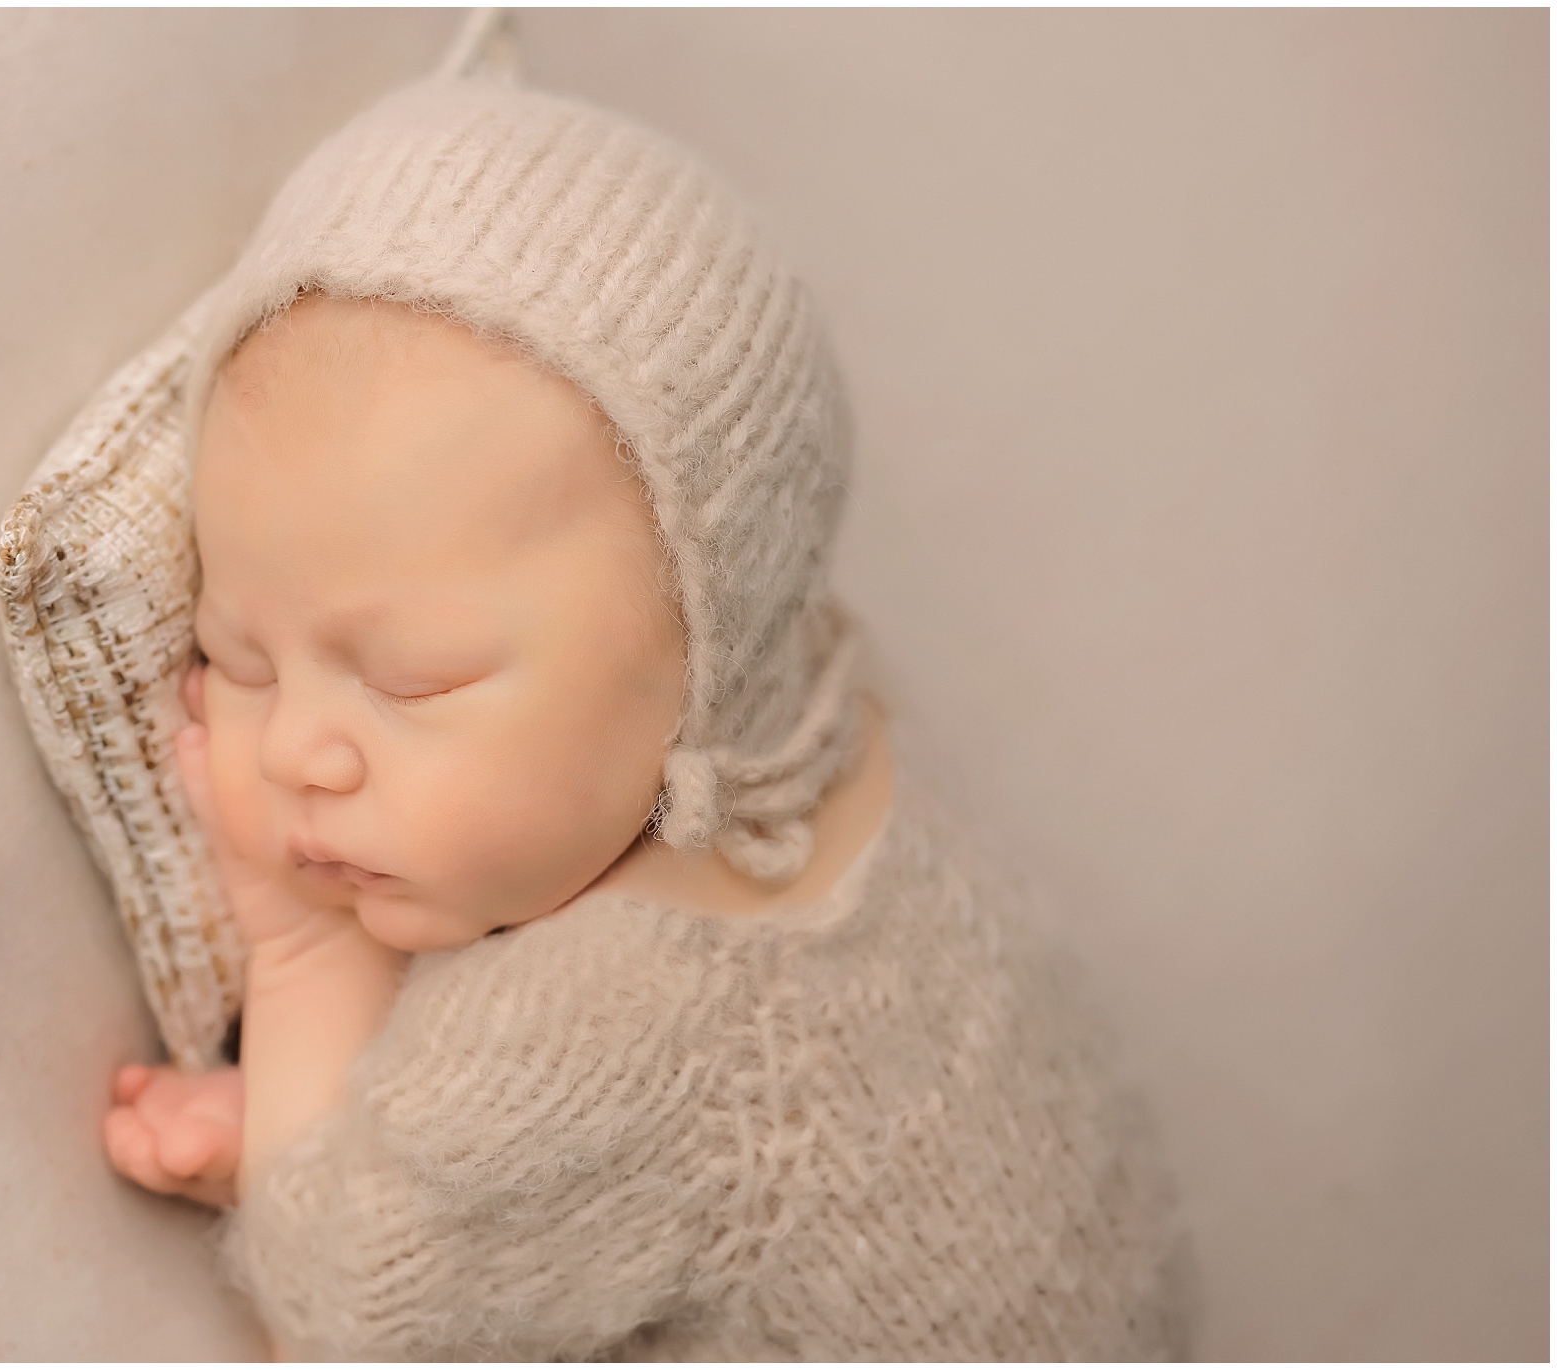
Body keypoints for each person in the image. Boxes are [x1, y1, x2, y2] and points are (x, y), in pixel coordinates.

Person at [99, 69, 1189, 1361]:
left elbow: (353, 1312)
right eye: (241, 658)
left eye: (412, 682)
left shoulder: (603, 1020)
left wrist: (300, 960)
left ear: (699, 657)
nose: (295, 753)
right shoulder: (826, 713)